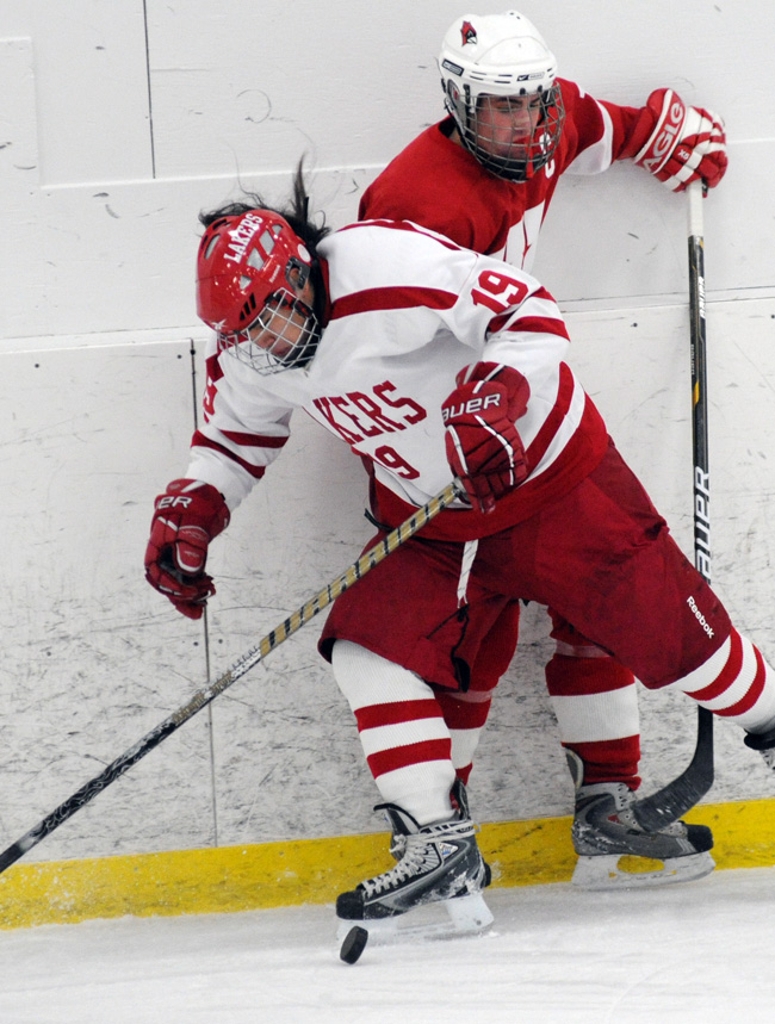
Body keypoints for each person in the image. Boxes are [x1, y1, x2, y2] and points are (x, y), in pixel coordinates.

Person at [144, 170, 774, 937]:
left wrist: (496, 389)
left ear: (300, 277)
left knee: (690, 651)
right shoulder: (251, 349)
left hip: (550, 483)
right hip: (431, 527)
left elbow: (527, 307)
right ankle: (436, 842)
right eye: (238, 334)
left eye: (265, 321)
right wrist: (194, 510)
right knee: (365, 648)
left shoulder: (381, 267)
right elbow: (230, 440)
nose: (258, 348)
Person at [356, 9, 728, 885]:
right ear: (458, 103)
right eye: (500, 108)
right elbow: (377, 352)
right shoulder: (413, 203)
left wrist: (665, 132)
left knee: (603, 597)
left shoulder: (540, 118)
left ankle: (605, 807)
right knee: (463, 636)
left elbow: (603, 126)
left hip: (529, 416)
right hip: (445, 445)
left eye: (531, 103)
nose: (524, 123)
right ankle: (438, 841)